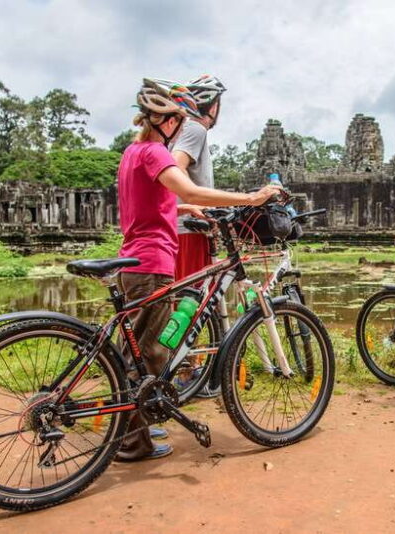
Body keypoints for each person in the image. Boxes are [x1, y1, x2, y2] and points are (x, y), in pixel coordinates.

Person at [114, 78, 281, 461]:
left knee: (134, 351)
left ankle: (130, 424)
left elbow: (153, 201)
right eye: (177, 121)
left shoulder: (131, 152)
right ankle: (132, 443)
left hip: (133, 258)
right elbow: (187, 188)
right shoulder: (155, 152)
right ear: (167, 121)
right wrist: (251, 197)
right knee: (152, 352)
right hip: (153, 261)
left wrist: (186, 209)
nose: (179, 129)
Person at [169, 75, 227, 398]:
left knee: (186, 302)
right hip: (189, 231)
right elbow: (177, 168)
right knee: (191, 303)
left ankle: (189, 370)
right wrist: (194, 205)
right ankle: (187, 374)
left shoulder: (183, 130)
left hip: (185, 229)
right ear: (213, 105)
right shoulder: (195, 129)